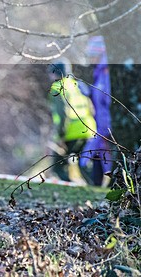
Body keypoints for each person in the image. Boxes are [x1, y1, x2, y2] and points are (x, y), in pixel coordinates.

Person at [47, 58, 97, 183]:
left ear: (55, 73)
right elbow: (92, 108)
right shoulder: (78, 84)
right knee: (84, 164)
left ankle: (70, 186)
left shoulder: (57, 87)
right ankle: (94, 186)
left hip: (71, 132)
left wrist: (60, 136)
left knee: (58, 165)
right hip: (89, 129)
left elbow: (63, 114)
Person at [79, 36, 113, 186]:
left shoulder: (106, 72)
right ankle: (97, 187)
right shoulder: (98, 72)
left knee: (104, 161)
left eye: (92, 55)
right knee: (92, 159)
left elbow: (109, 102)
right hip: (100, 128)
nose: (90, 58)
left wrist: (107, 131)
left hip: (108, 129)